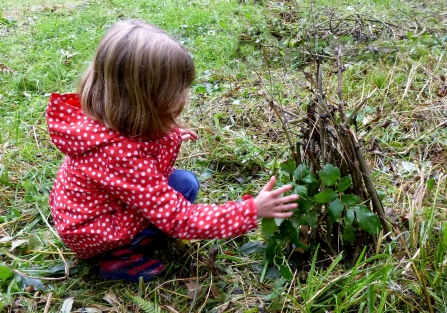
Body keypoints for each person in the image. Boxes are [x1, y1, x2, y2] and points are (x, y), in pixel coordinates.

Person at [46, 20, 299, 282]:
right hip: (94, 231)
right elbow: (179, 218)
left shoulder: (109, 118)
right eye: (179, 90)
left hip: (87, 213)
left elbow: (135, 141)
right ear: (145, 101)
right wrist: (250, 210)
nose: (185, 97)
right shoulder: (118, 155)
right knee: (184, 188)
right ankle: (117, 256)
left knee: (184, 183)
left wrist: (170, 135)